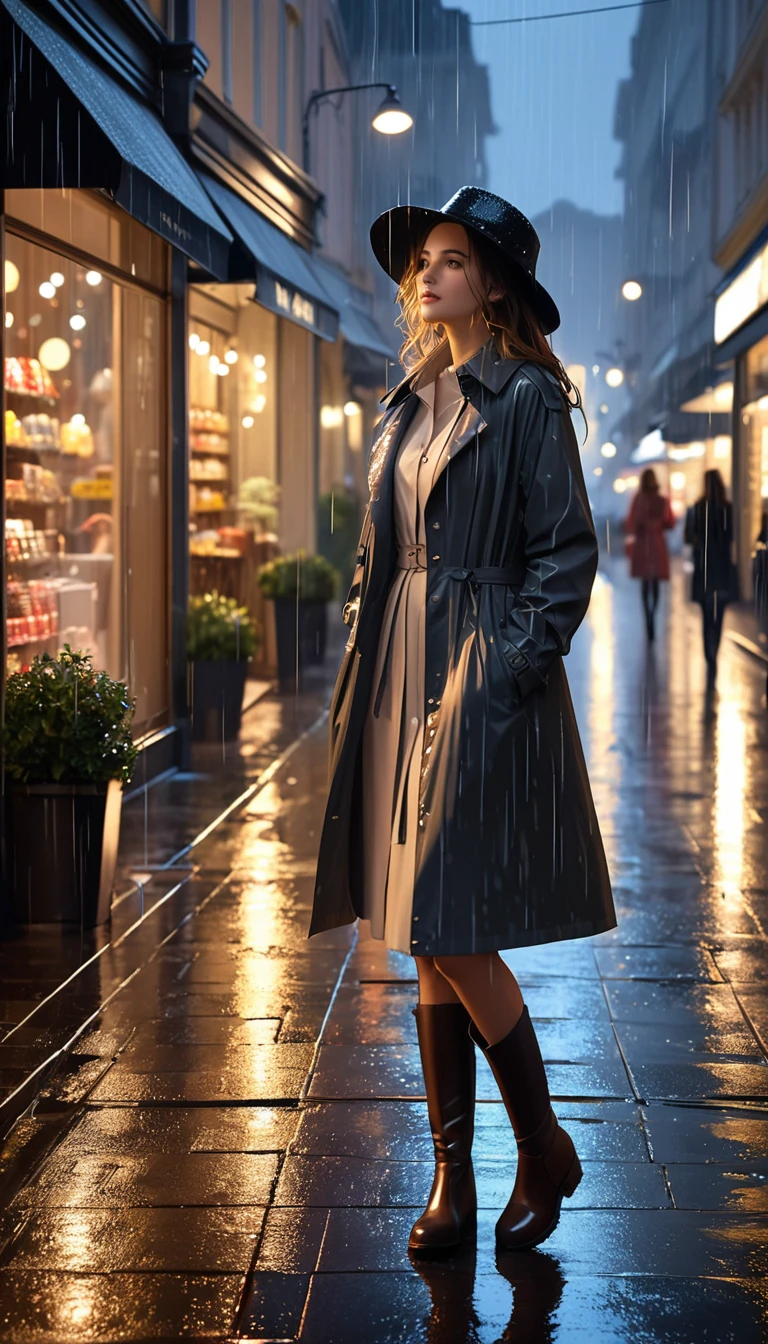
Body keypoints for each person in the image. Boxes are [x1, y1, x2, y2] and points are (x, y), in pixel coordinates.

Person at [310, 187, 615, 1256]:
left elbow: (566, 555)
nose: (427, 274)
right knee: (420, 932)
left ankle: (540, 1145)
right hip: (400, 667)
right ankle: (451, 1178)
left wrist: (504, 674)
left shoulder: (526, 398)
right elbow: (383, 548)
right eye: (422, 261)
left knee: (451, 922)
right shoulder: (414, 397)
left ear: (493, 284)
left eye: (449, 259)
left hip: (475, 672)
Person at [684, 469, 736, 682]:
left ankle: (709, 653)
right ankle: (714, 648)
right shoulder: (727, 508)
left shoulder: (698, 507)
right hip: (722, 565)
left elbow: (689, 537)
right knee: (719, 611)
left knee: (707, 611)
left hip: (705, 565)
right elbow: (731, 535)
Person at [623, 468, 675, 640]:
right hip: (657, 545)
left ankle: (648, 618)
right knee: (654, 584)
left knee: (646, 584)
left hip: (644, 546)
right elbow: (670, 522)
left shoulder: (638, 500)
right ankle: (652, 614)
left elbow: (632, 522)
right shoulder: (661, 499)